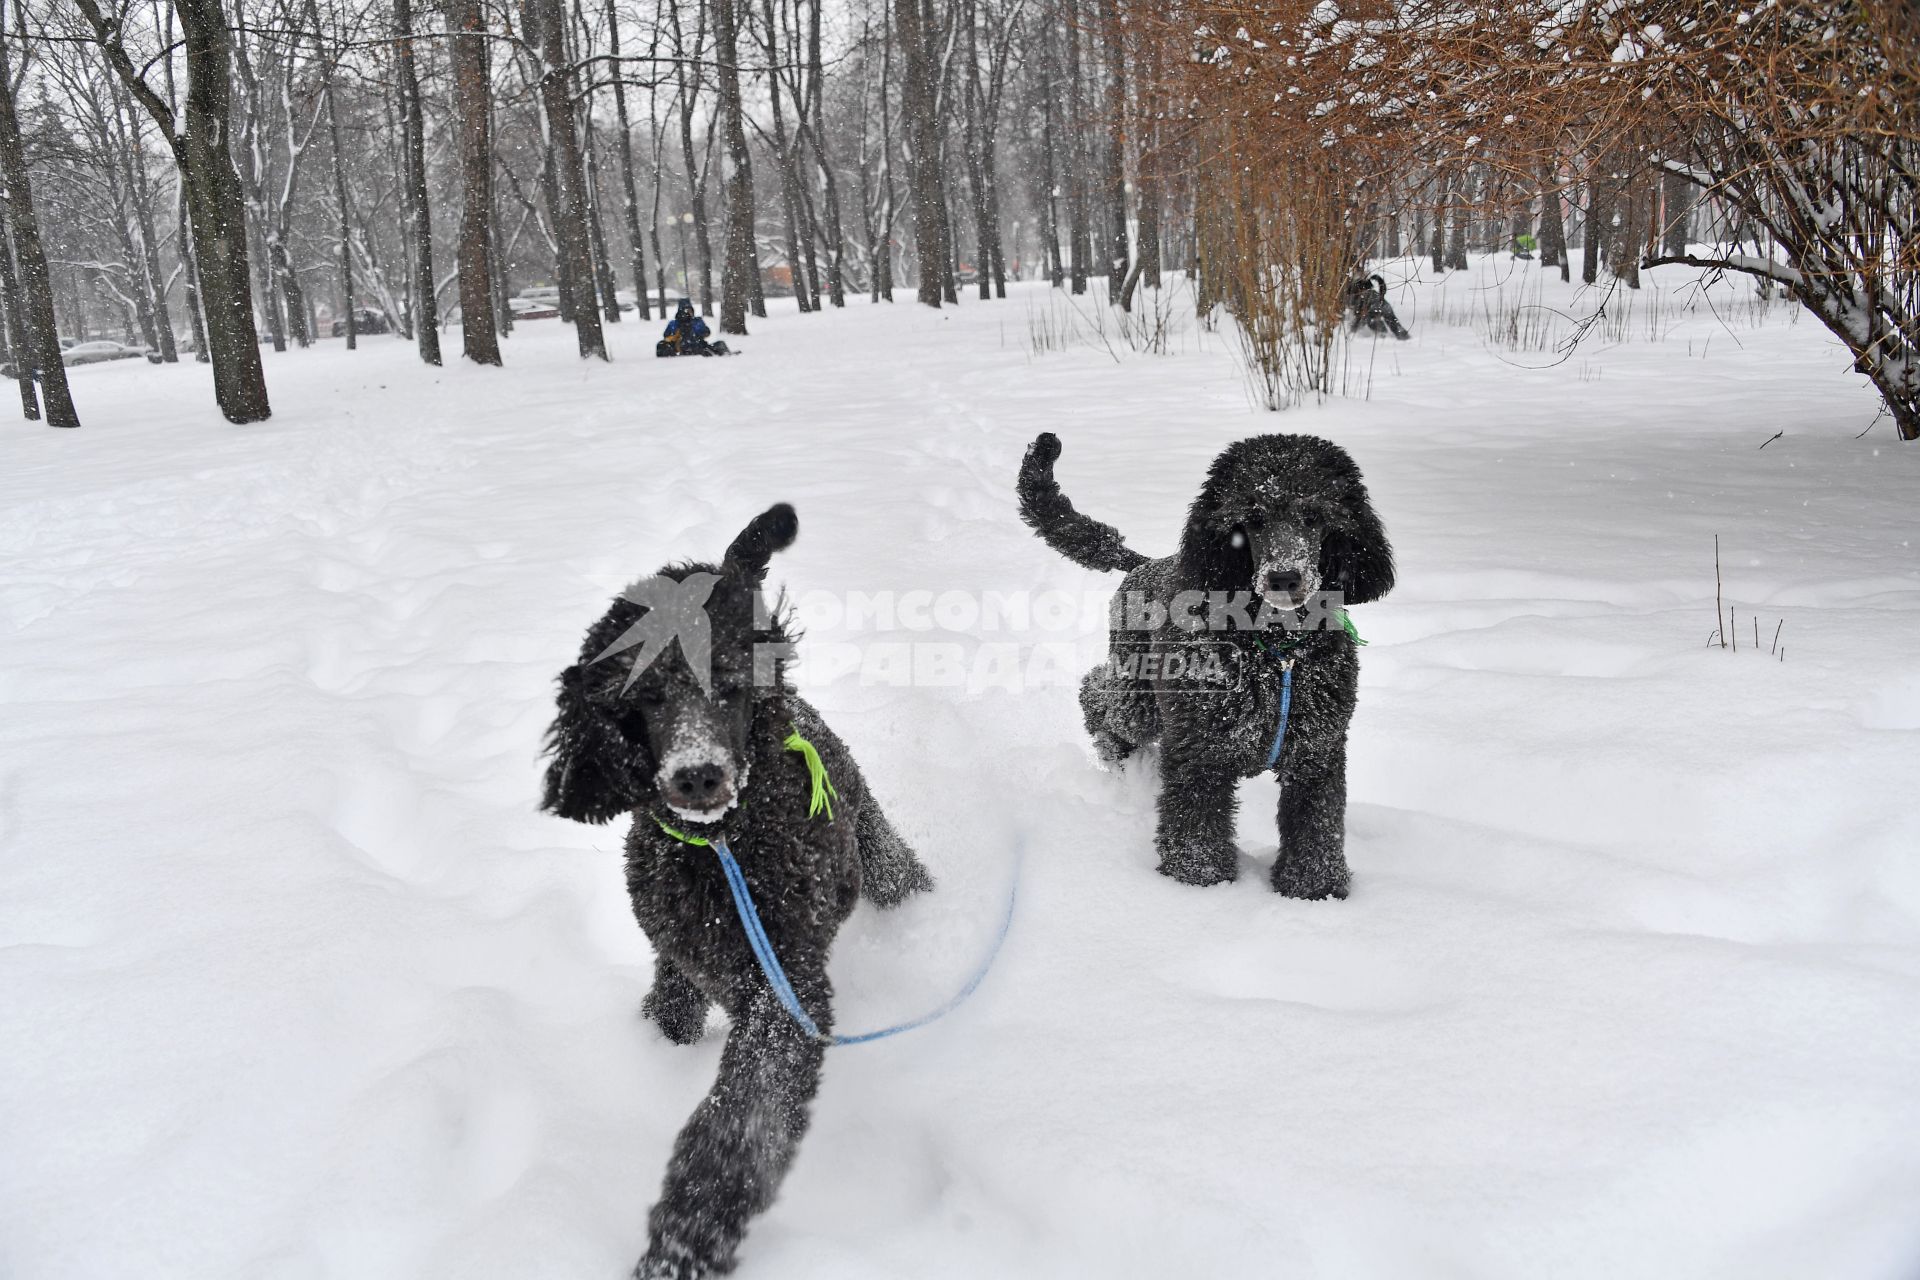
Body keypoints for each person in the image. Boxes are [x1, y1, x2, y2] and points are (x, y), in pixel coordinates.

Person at [656, 299, 730, 357]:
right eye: (686, 311)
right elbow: (666, 336)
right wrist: (674, 336)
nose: (688, 313)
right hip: (680, 348)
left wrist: (698, 333)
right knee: (661, 345)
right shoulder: (674, 323)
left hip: (698, 346)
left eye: (689, 311)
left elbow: (707, 332)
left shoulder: (697, 321)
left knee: (720, 344)